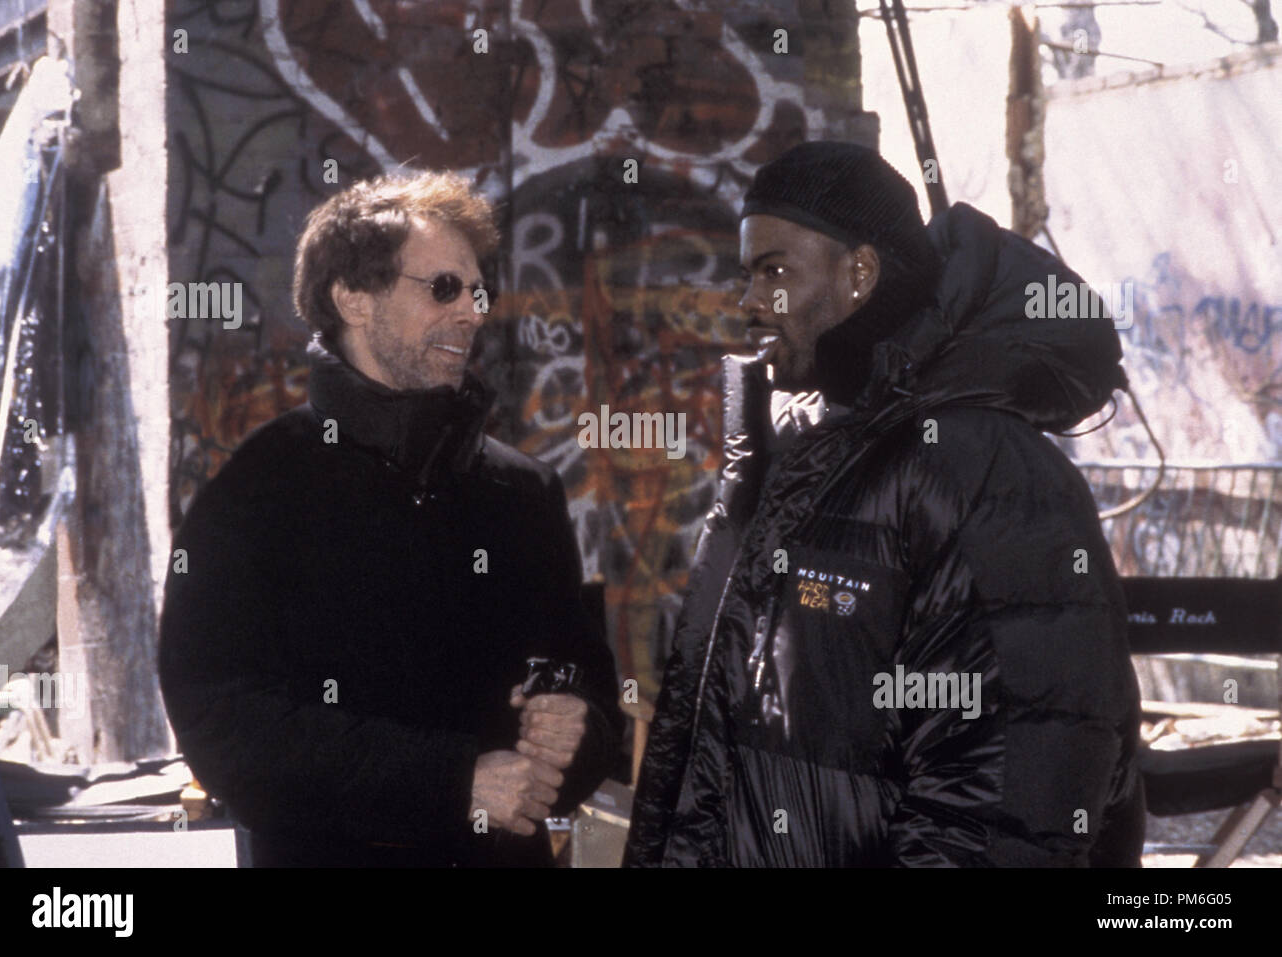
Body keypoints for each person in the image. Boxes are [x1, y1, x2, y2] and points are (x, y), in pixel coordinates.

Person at [625, 141, 1145, 867]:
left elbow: (1003, 799)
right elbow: (698, 746)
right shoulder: (790, 444)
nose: (747, 302)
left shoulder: (987, 471)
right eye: (747, 275)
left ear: (859, 273)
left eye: (773, 271)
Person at [159, 170, 622, 867]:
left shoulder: (521, 490)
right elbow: (222, 723)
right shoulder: (259, 487)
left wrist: (576, 726)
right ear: (353, 298)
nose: (470, 311)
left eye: (477, 291)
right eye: (442, 287)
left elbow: (589, 682)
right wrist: (450, 780)